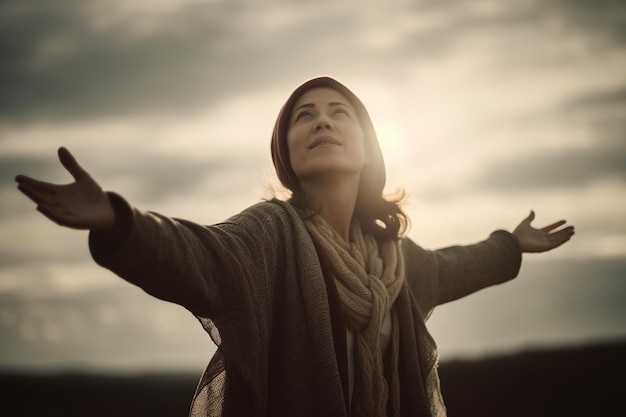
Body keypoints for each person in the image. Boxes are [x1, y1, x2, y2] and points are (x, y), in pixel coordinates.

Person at [15, 76, 574, 417]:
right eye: (304, 117)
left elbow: (456, 266)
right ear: (286, 151)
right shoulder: (271, 233)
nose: (321, 122)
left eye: (339, 113)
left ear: (367, 148)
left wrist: (511, 246)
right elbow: (199, 254)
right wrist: (120, 221)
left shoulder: (393, 258)